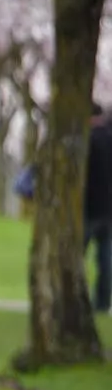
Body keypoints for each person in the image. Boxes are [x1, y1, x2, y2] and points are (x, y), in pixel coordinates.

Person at [86, 101, 112, 314]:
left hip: (89, 209)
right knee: (105, 261)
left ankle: (76, 300)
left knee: (76, 257)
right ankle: (102, 302)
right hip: (109, 211)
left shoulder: (88, 141)